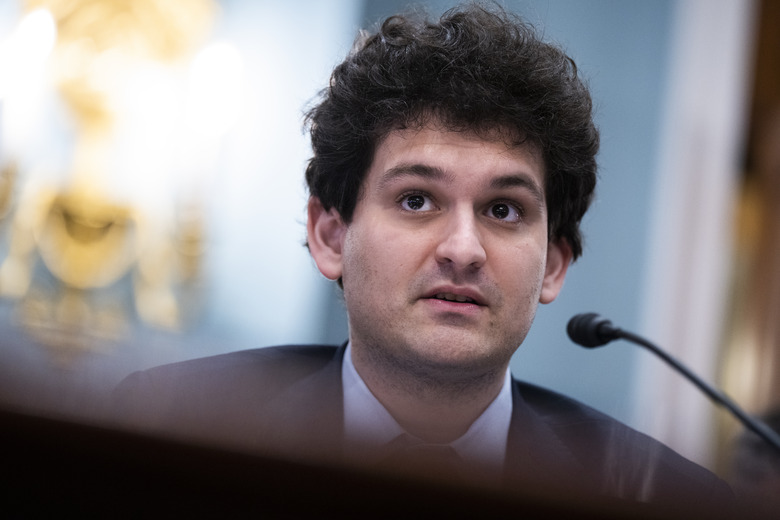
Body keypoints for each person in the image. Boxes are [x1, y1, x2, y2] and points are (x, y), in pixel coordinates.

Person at [114, 2, 733, 513]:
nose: (463, 250)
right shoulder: (166, 426)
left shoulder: (667, 502)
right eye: (416, 200)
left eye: (503, 210)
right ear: (331, 237)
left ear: (552, 265)